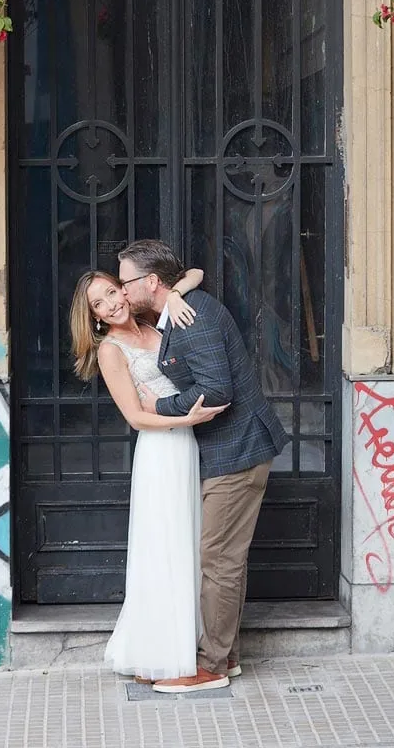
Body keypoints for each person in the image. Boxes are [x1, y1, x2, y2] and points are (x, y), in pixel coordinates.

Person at [117, 239, 289, 694]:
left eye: (126, 281)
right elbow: (190, 275)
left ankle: (211, 665)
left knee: (218, 560)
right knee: (224, 558)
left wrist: (160, 405)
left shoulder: (192, 318)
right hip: (227, 451)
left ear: (152, 282)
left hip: (238, 450)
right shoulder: (178, 307)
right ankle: (226, 655)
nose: (122, 290)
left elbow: (216, 391)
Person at [69, 266, 228, 682]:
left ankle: (190, 643)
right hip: (160, 451)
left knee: (189, 541)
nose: (110, 304)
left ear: (125, 290)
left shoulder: (154, 322)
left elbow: (196, 273)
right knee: (164, 545)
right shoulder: (110, 350)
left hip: (187, 445)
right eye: (99, 304)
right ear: (94, 317)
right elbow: (136, 417)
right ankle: (158, 651)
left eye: (112, 292)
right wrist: (185, 420)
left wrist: (174, 294)